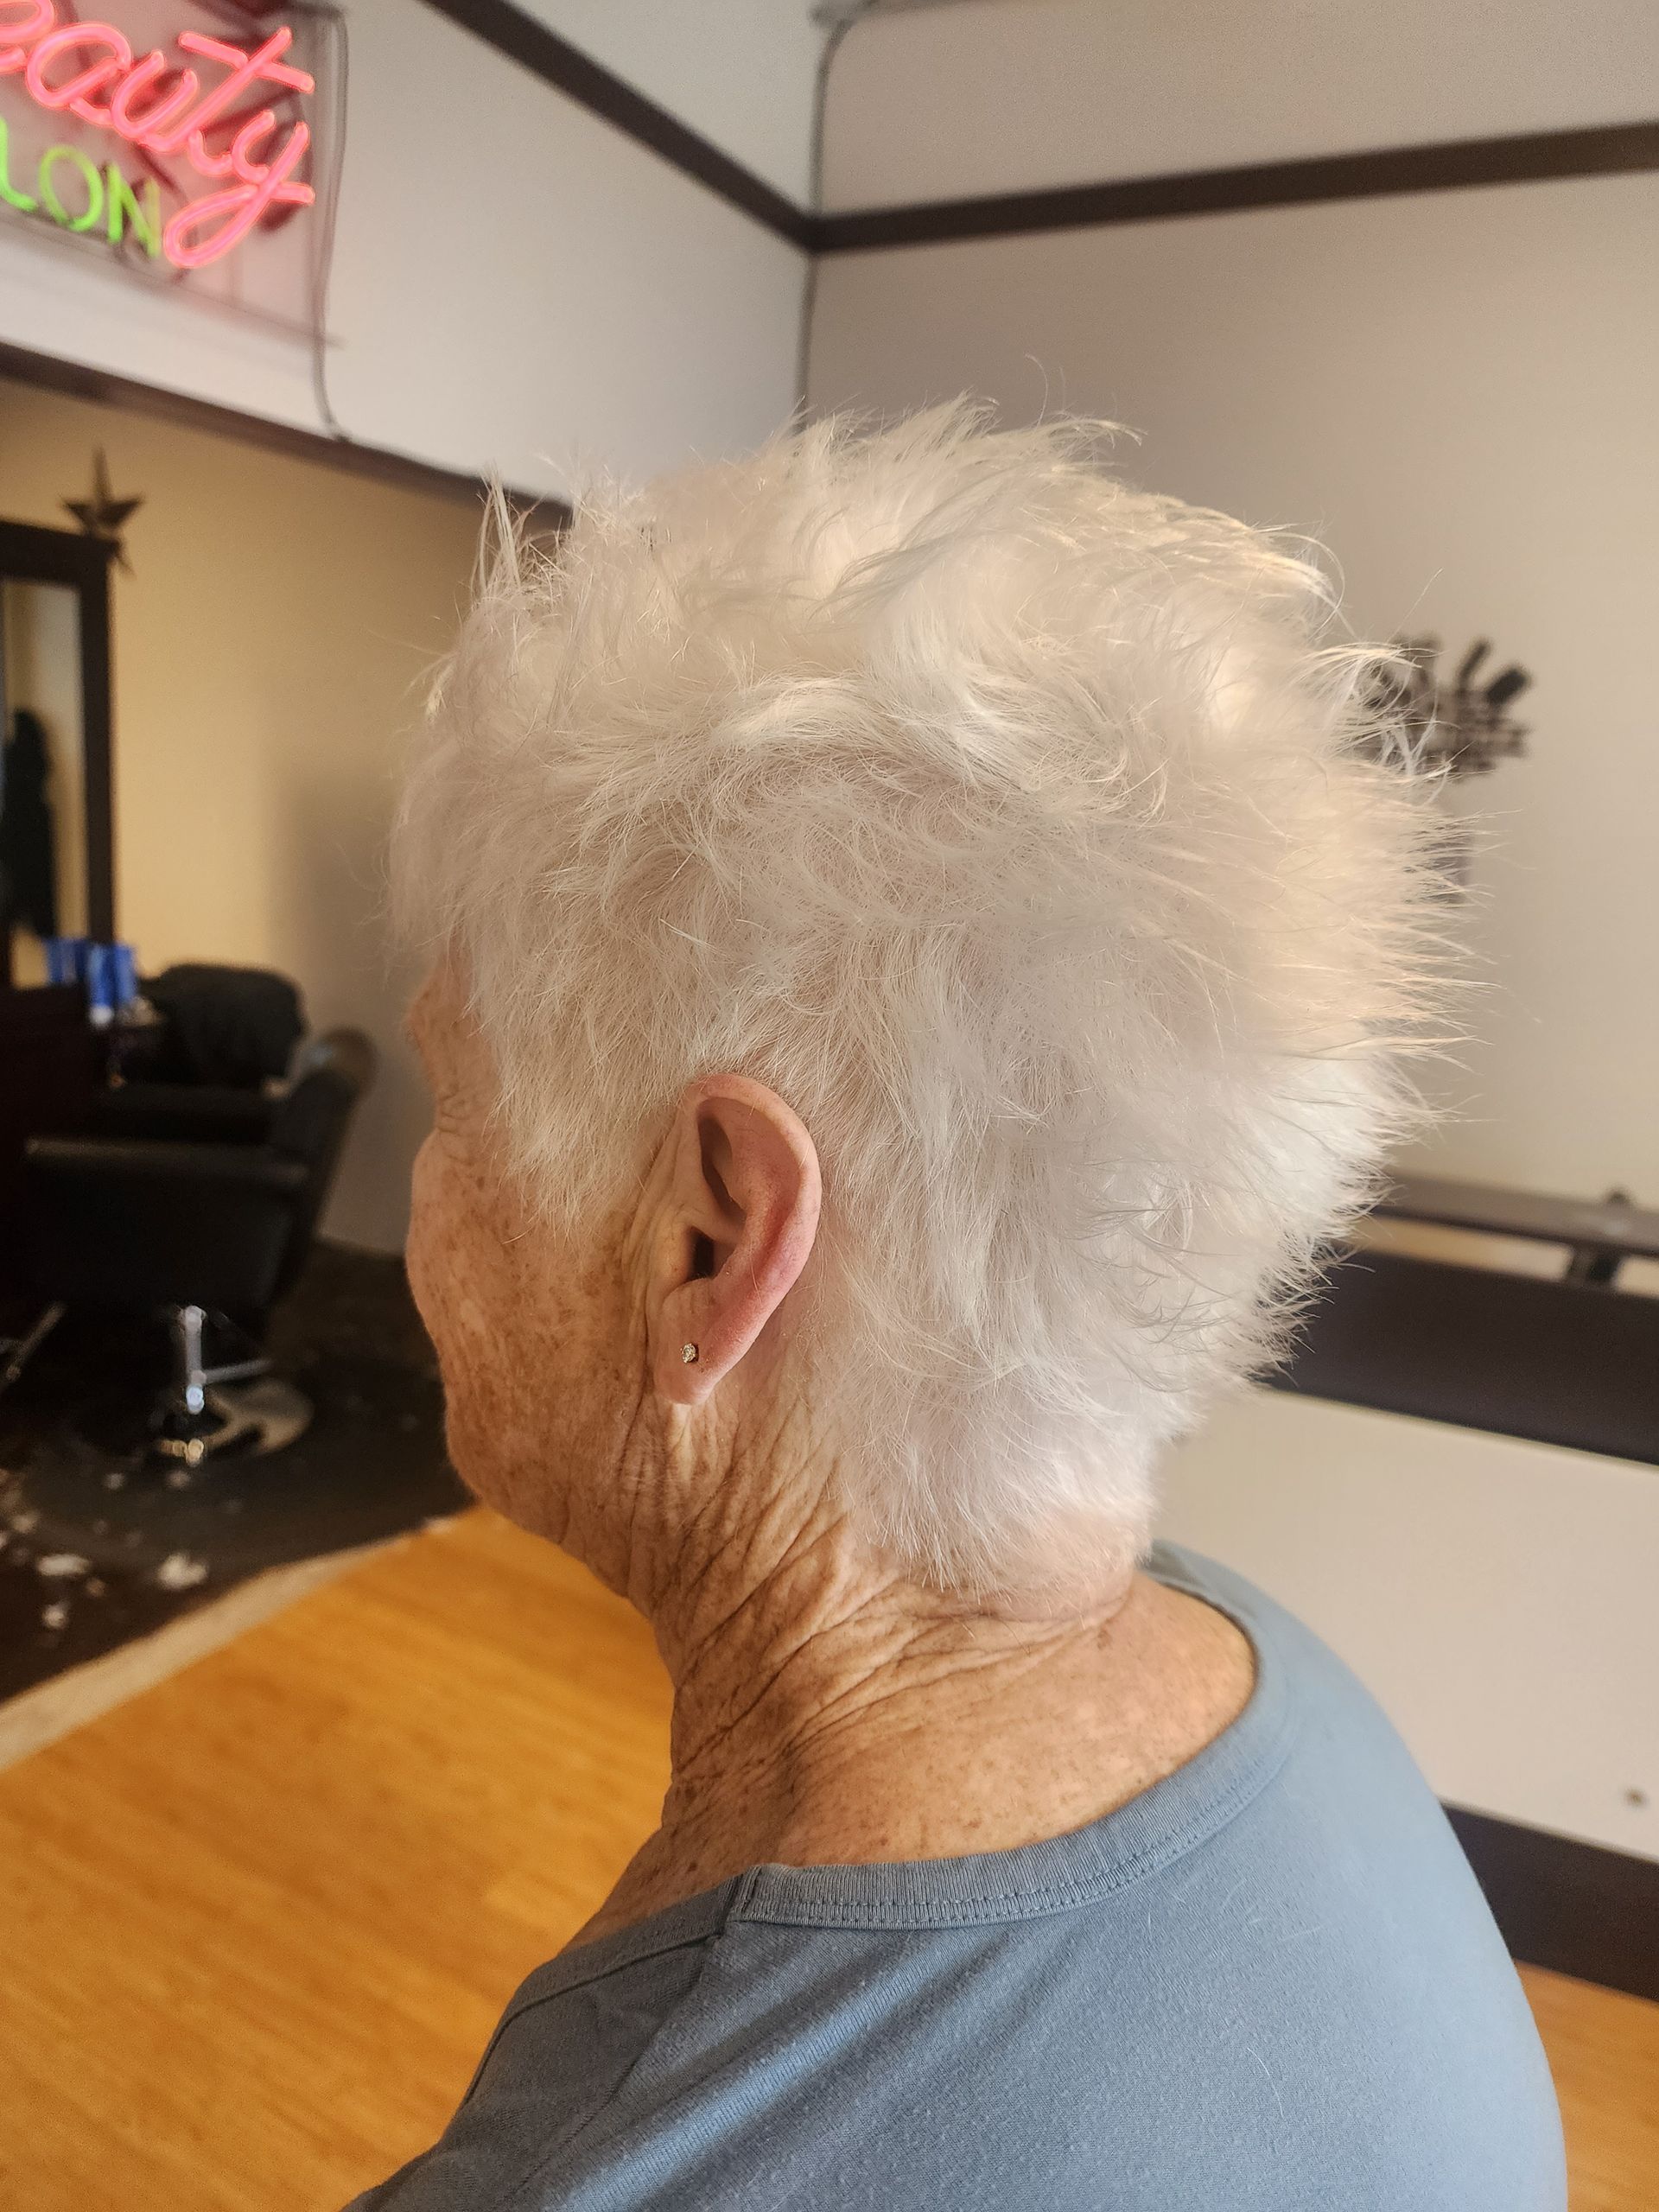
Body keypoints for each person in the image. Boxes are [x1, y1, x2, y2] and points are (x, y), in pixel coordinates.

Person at [353, 404, 1565, 2209]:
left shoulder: (624, 2163)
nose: (424, 1186)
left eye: (454, 1098)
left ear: (712, 1233)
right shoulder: (1281, 1697)